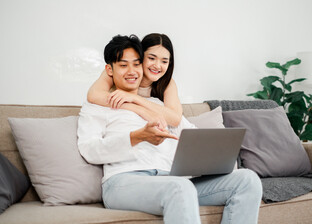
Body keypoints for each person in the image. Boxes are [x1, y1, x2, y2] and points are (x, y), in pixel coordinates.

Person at [77, 34, 263, 224]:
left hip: (172, 179)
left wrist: (220, 158)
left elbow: (191, 134)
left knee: (247, 180)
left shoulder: (159, 105)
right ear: (109, 70)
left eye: (136, 64)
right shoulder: (98, 104)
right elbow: (89, 150)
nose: (131, 71)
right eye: (123, 65)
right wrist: (137, 137)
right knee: (180, 187)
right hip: (124, 182)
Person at [87, 33, 181, 129]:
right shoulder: (116, 72)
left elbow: (175, 119)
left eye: (164, 61)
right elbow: (94, 94)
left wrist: (134, 98)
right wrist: (139, 109)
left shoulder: (167, 82)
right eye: (152, 58)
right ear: (140, 56)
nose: (157, 65)